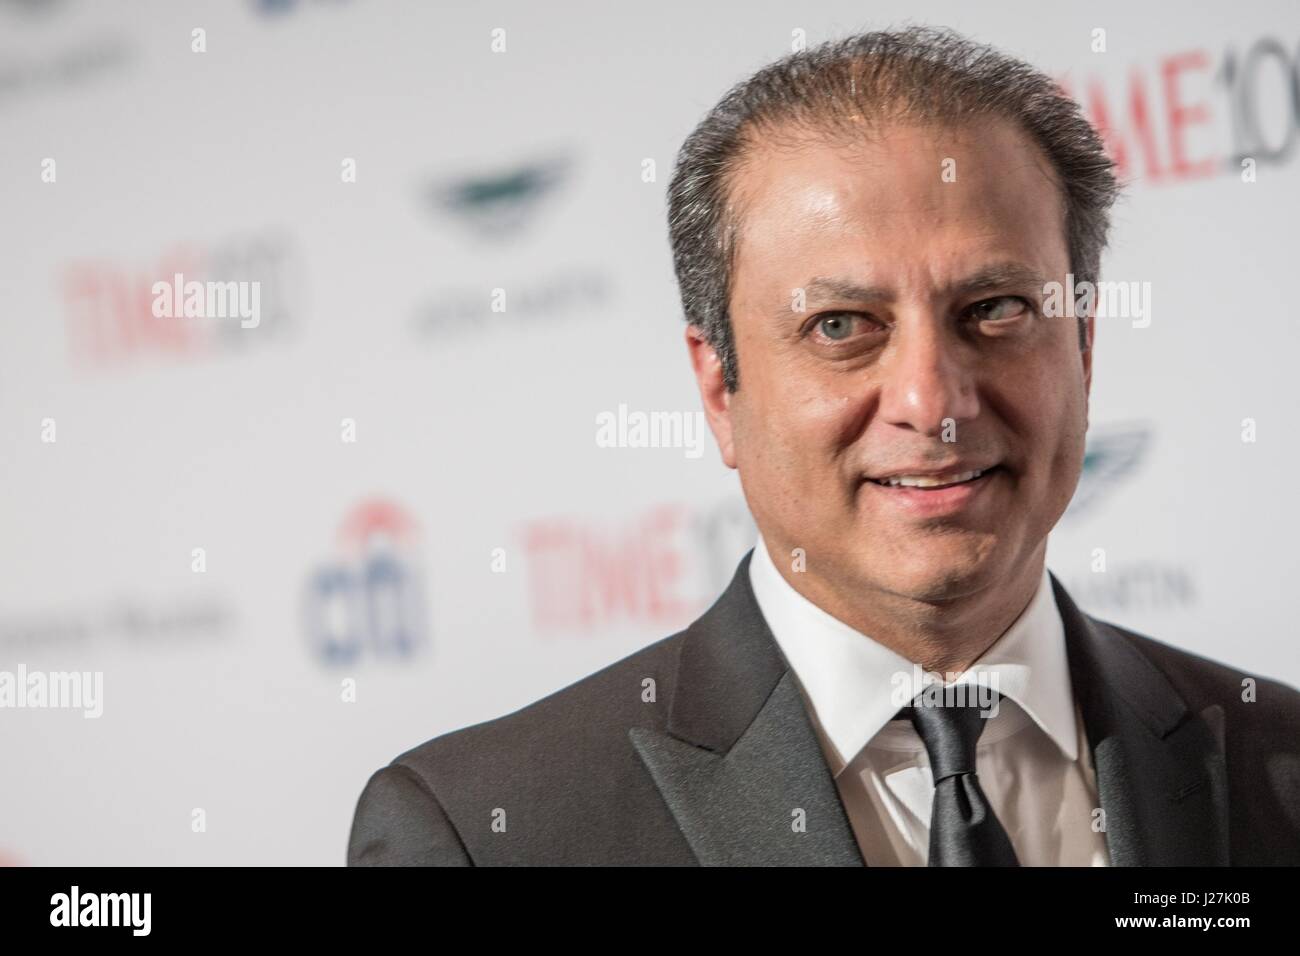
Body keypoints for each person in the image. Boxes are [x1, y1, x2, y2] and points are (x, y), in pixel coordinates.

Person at [347, 26, 1300, 866]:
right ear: (720, 388)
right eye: (842, 326)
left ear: (1083, 349)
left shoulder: (1280, 764)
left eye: (995, 310)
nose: (934, 403)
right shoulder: (487, 833)